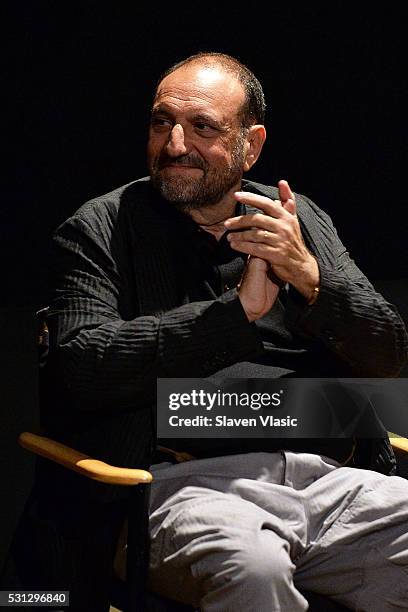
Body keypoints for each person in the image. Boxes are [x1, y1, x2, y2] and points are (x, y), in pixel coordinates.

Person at [3, 52, 408, 611]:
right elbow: (78, 369)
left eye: (201, 127)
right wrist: (233, 317)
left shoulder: (297, 220)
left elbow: (388, 357)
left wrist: (311, 279)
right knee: (252, 567)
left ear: (252, 143)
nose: (173, 145)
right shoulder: (101, 227)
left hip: (327, 482)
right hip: (181, 487)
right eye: (161, 122)